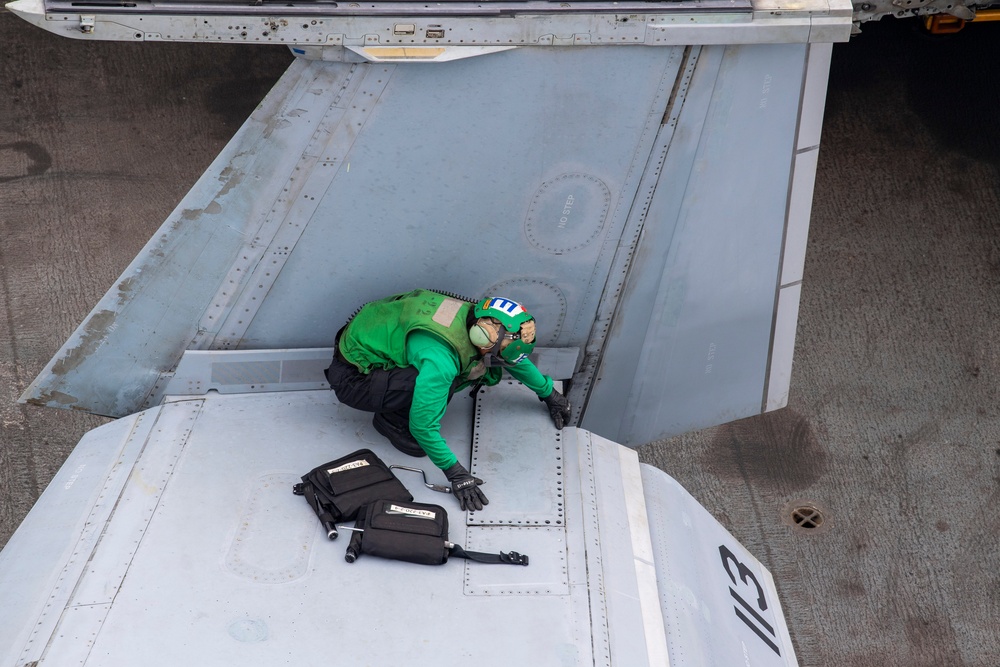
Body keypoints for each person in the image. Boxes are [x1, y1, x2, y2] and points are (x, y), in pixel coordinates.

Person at [325, 288, 572, 512]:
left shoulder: (472, 315)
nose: (500, 355)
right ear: (483, 336)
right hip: (353, 379)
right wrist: (455, 473)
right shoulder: (441, 361)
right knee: (444, 383)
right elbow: (423, 427)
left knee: (444, 378)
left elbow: (510, 359)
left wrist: (549, 394)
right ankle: (391, 421)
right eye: (500, 347)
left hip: (371, 339)